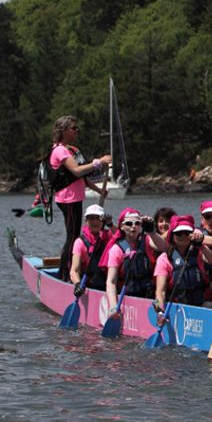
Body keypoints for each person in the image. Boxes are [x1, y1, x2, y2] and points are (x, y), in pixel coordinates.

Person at [49, 115, 112, 282]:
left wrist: (98, 189)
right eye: (74, 128)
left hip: (74, 198)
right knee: (73, 237)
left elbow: (80, 178)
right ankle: (65, 275)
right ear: (63, 131)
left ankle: (72, 269)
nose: (77, 131)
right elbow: (77, 170)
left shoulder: (71, 149)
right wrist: (99, 162)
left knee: (74, 235)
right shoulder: (60, 150)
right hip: (67, 199)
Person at [103, 208, 168, 314]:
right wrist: (113, 306)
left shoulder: (146, 240)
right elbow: (111, 282)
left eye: (137, 223)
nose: (133, 226)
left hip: (148, 295)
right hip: (127, 296)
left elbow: (163, 247)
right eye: (129, 223)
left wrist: (152, 232)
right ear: (122, 227)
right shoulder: (116, 249)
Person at [153, 215, 212, 320]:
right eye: (178, 233)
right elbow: (160, 290)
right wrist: (160, 312)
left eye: (187, 233)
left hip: (199, 304)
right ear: (172, 235)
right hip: (176, 307)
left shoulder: (198, 252)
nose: (183, 236)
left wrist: (201, 245)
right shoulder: (164, 259)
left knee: (211, 306)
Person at [69, 204, 110, 294]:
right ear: (86, 221)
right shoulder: (80, 242)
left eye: (98, 218)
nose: (95, 221)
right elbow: (74, 271)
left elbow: (121, 235)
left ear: (103, 221)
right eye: (91, 218)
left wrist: (110, 224)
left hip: (108, 284)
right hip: (89, 284)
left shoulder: (110, 237)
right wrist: (77, 284)